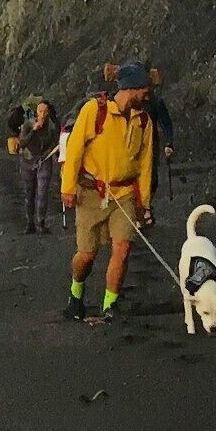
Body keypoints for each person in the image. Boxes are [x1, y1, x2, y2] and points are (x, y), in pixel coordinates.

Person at [61, 60, 157, 321]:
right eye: (145, 89)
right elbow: (75, 151)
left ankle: (109, 306)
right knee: (86, 256)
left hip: (124, 194)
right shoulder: (94, 110)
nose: (148, 95)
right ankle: (76, 294)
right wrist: (68, 187)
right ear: (132, 88)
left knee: (122, 248)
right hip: (90, 194)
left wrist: (144, 204)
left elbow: (146, 164)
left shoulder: (144, 121)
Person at [8, 96, 62, 233]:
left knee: (42, 192)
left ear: (48, 113)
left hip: (44, 159)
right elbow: (22, 143)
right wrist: (34, 131)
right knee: (29, 192)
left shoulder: (52, 126)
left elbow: (56, 142)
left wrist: (58, 155)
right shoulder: (28, 124)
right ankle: (30, 223)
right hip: (28, 160)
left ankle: (41, 222)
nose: (42, 115)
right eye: (40, 111)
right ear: (36, 112)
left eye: (45, 112)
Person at [145, 65, 176, 208]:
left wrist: (169, 143)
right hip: (133, 144)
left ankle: (145, 206)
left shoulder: (155, 101)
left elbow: (166, 123)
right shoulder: (131, 102)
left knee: (152, 179)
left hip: (151, 144)